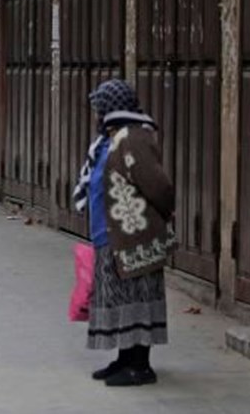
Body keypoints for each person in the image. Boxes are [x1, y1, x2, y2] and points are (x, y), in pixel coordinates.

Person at [72, 79, 176, 387]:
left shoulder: (134, 139)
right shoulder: (110, 139)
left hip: (134, 237)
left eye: (99, 108)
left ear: (111, 109)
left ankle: (141, 366)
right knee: (119, 301)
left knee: (138, 299)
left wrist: (158, 217)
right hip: (110, 236)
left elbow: (159, 187)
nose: (95, 114)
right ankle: (124, 359)